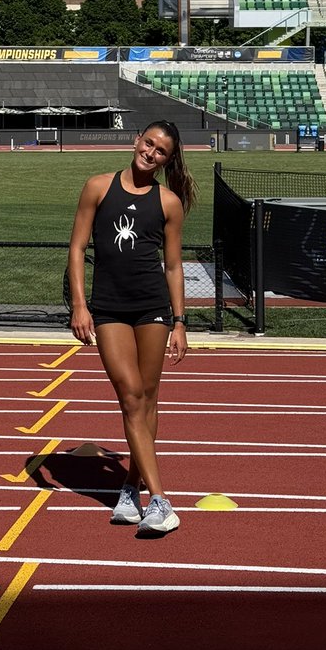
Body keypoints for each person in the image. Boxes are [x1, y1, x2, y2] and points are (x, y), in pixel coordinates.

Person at [68, 120, 197, 538]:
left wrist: (180, 322)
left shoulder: (168, 203)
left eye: (161, 151)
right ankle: (160, 500)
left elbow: (173, 266)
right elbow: (77, 248)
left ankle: (130, 488)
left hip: (152, 309)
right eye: (149, 143)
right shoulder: (98, 187)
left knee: (147, 398)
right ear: (136, 140)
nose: (151, 153)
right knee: (129, 396)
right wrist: (80, 306)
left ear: (167, 160)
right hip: (108, 308)